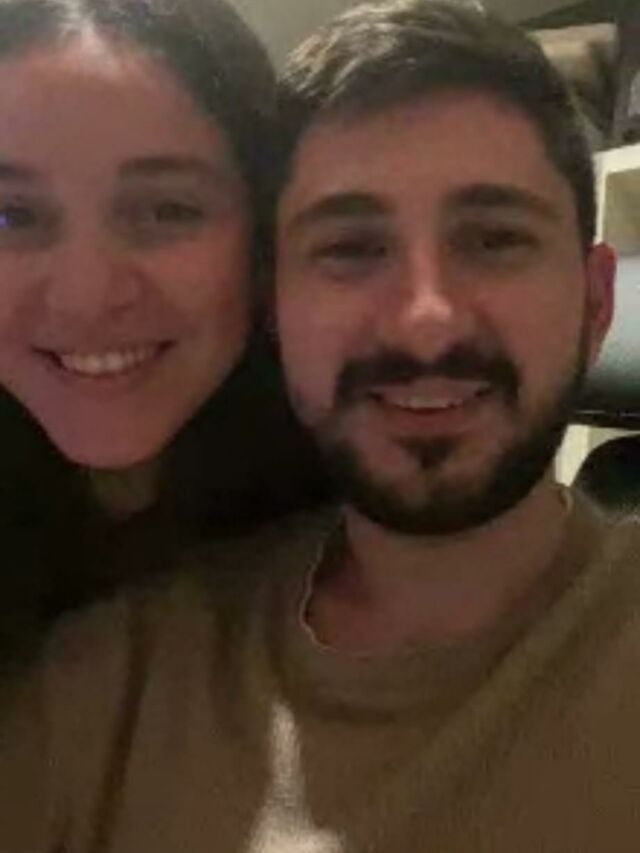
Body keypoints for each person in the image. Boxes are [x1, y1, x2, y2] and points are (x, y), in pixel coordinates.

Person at [6, 2, 640, 851]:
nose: (425, 321)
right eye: (350, 248)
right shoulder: (105, 679)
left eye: (493, 239)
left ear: (595, 303)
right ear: (276, 307)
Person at [0, 0, 328, 656]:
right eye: (11, 216)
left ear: (265, 236)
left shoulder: (372, 508)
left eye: (166, 209)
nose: (85, 296)